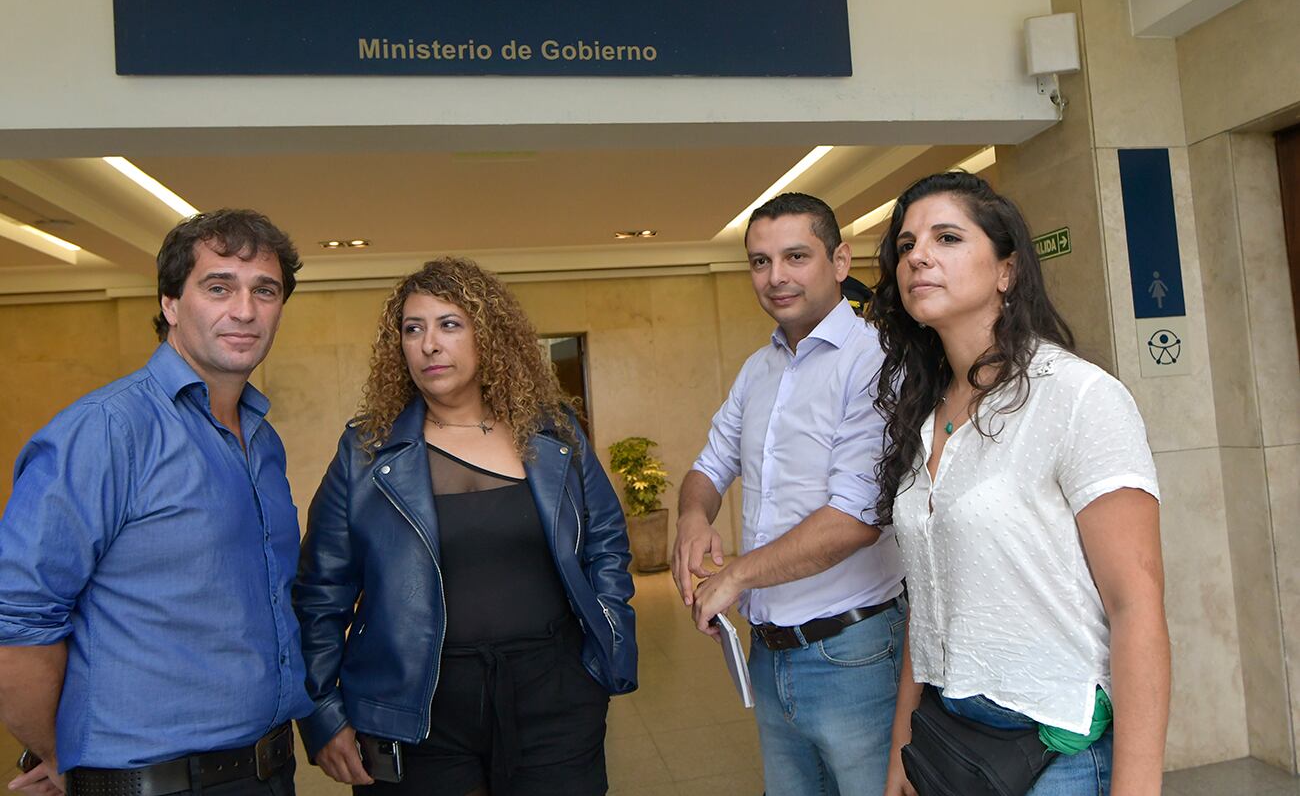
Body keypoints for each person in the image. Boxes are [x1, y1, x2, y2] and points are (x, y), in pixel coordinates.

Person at [871, 172, 1169, 796]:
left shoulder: (1078, 396)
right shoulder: (924, 416)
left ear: (1007, 270)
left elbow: (1135, 607)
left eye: (947, 237)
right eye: (905, 245)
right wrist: (904, 746)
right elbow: (926, 604)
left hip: (1055, 749)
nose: (918, 255)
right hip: (953, 743)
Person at [294, 257, 636, 796]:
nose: (429, 344)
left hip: (554, 697)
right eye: (413, 329)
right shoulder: (364, 453)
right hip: (416, 707)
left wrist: (607, 648)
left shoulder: (552, 433)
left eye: (450, 324)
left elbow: (606, 544)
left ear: (489, 336)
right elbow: (320, 592)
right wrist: (323, 710)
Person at [0, 210, 311, 796]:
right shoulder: (106, 430)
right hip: (152, 783)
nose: (244, 311)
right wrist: (58, 755)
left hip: (267, 772)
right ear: (171, 303)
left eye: (264, 291)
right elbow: (18, 621)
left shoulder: (262, 440)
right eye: (218, 287)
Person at [673, 193, 906, 796]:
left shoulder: (876, 361)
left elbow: (855, 519)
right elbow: (709, 466)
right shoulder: (759, 369)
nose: (776, 277)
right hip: (770, 653)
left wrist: (737, 577)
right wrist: (693, 519)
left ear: (839, 261)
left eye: (796, 256)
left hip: (853, 651)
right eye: (759, 261)